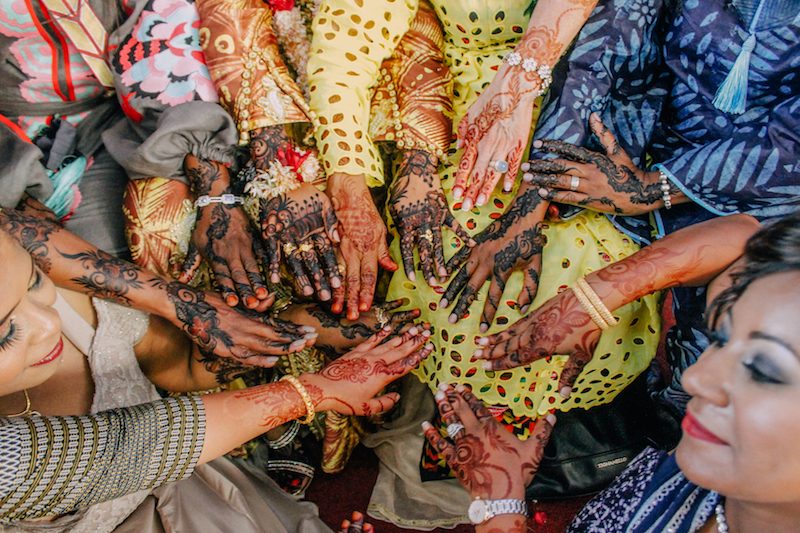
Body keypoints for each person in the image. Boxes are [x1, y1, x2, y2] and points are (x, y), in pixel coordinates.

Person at [306, 1, 662, 526]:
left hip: (597, 103)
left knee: (567, 262)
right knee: (452, 258)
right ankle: (468, 427)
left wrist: (539, 186)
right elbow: (348, 42)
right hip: (457, 114)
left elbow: (623, 39)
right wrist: (352, 179)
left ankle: (532, 437)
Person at [0, 226, 433, 530]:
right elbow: (125, 449)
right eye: (5, 333)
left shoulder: (59, 300)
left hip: (197, 495)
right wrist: (315, 391)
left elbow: (170, 363)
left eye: (36, 280)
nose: (47, 323)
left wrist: (304, 329)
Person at [426, 211, 800, 532]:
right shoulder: (713, 478)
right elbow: (744, 236)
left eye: (763, 369)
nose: (695, 379)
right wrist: (587, 301)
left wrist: (500, 509)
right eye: (721, 337)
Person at [516, 0, 800, 412]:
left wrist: (654, 189)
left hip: (768, 199)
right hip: (635, 140)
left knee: (715, 374)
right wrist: (535, 194)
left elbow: (788, 149)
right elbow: (617, 29)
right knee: (524, 283)